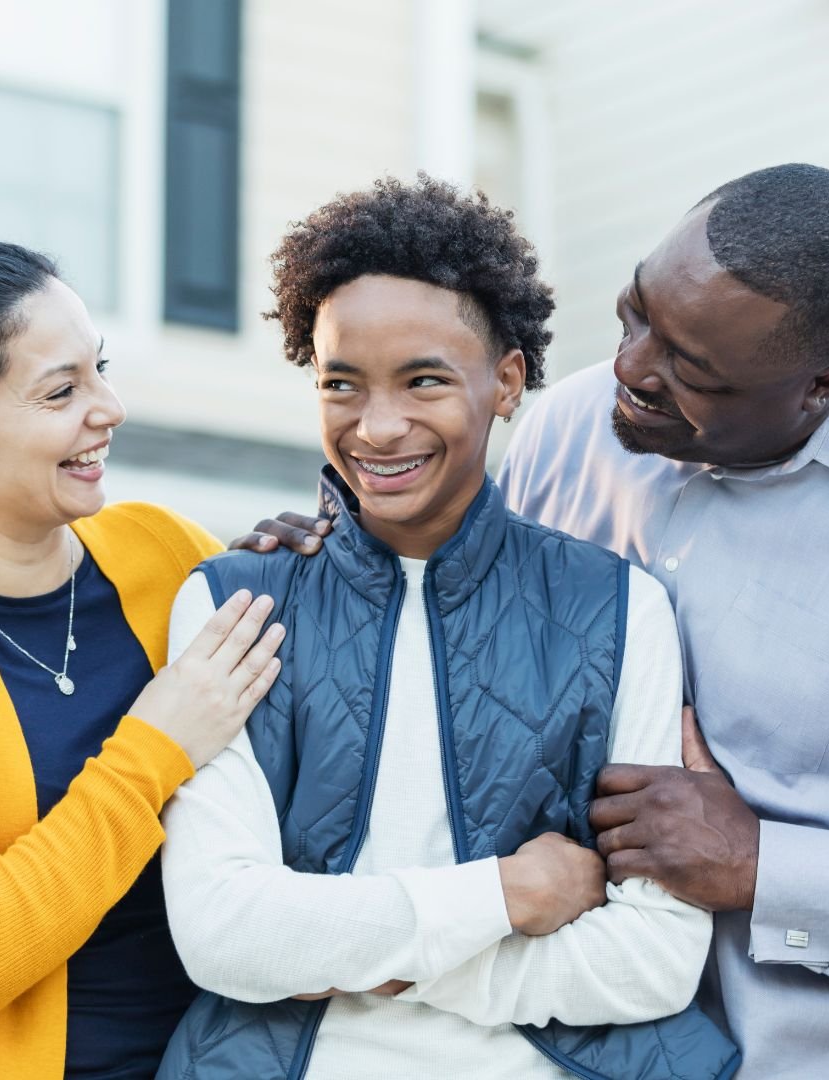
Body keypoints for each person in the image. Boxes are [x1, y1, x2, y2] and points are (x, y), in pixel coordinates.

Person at [250, 164, 829, 1078]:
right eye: (638, 313)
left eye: (692, 368)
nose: (631, 370)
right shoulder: (566, 429)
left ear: (823, 383)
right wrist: (336, 560)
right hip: (535, 1040)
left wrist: (764, 865)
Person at [155, 176, 738, 1080]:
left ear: (506, 382)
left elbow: (654, 964)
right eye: (340, 384)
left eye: (424, 380)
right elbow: (224, 939)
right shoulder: (235, 604)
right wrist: (508, 895)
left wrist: (362, 959)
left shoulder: (619, 609)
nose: (378, 428)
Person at [0, 241, 284, 1080]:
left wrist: (304, 588)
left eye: (98, 370)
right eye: (61, 391)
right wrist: (153, 750)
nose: (107, 407)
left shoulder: (162, 548)